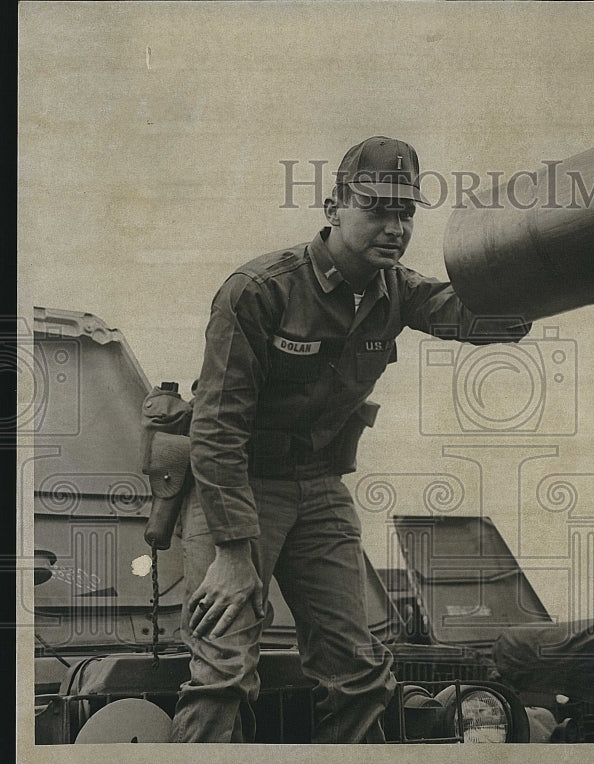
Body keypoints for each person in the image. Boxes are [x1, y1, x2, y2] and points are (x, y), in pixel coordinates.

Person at [169, 136, 530, 743]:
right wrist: (233, 554)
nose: (395, 227)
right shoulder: (260, 290)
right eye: (377, 209)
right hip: (238, 492)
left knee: (360, 674)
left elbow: (478, 317)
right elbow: (215, 428)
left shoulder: (397, 291)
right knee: (223, 673)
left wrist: (541, 273)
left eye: (407, 213)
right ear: (334, 207)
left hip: (318, 493)